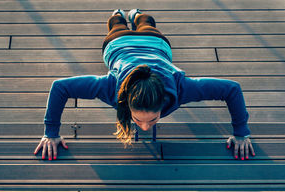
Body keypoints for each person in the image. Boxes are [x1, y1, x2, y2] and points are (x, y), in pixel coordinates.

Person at [34, 9, 256, 161]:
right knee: (116, 25)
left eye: (153, 119)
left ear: (163, 101)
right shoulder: (110, 86)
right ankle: (119, 16)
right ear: (126, 101)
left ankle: (137, 15)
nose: (144, 127)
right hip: (119, 43)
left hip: (155, 43)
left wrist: (241, 133)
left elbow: (232, 89)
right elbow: (60, 87)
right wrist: (50, 133)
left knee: (147, 23)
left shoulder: (181, 88)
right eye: (138, 119)